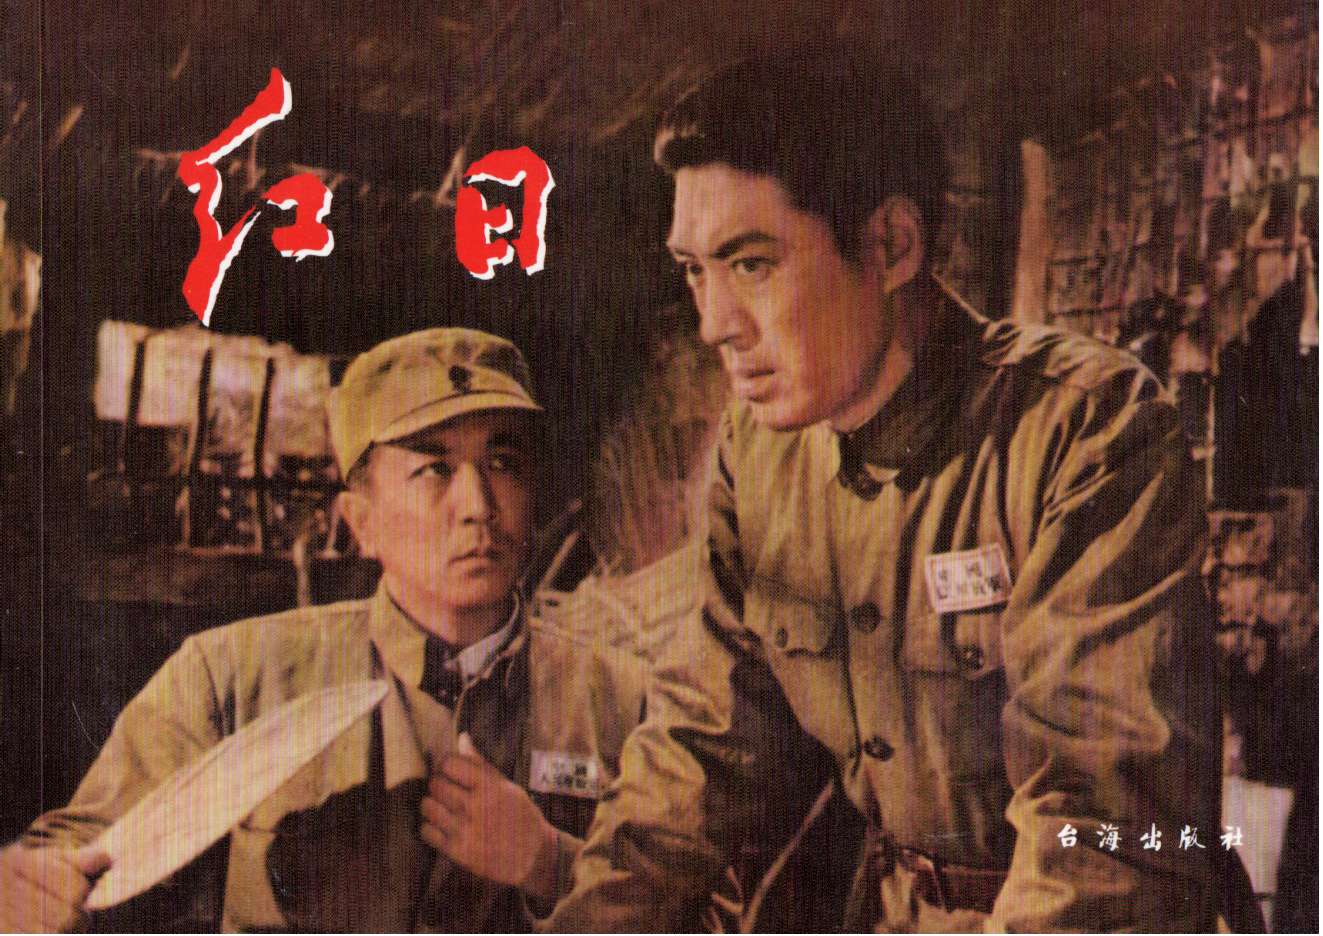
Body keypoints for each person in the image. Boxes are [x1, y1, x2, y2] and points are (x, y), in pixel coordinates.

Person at [544, 53, 1238, 932]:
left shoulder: (1081, 429)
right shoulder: (756, 456)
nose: (715, 324)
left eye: (750, 264)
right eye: (694, 270)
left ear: (891, 246)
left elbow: (1105, 831)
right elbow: (698, 749)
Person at [0, 327, 658, 931]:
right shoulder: (233, 679)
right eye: (434, 469)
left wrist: (549, 863)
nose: (478, 506)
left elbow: (697, 914)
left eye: (503, 462)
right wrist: (36, 884)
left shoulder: (626, 704)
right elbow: (85, 847)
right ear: (360, 521)